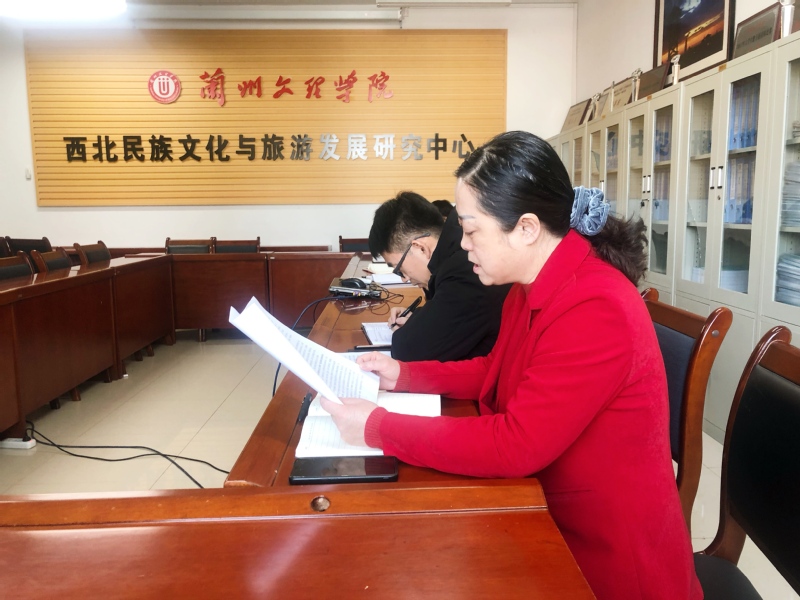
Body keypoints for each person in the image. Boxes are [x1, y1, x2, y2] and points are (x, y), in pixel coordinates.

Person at [323, 132, 702, 599]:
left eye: (471, 230)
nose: (463, 245)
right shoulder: (531, 285)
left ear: (526, 228)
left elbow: (515, 444)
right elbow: (496, 370)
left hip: (604, 558)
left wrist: (378, 427)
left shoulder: (596, 306)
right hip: (544, 509)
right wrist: (403, 375)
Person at [368, 191, 510, 362]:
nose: (404, 279)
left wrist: (408, 328)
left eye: (399, 269)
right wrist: (417, 317)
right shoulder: (453, 255)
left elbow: (408, 350)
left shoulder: (465, 270)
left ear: (420, 248)